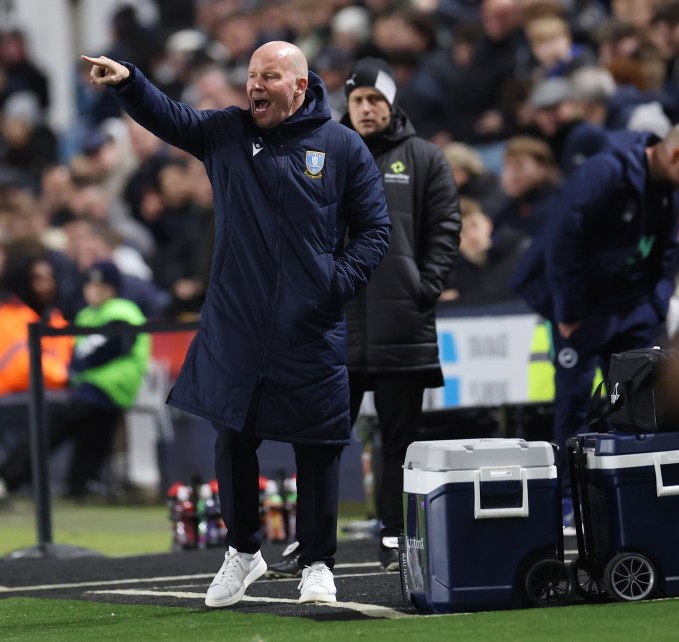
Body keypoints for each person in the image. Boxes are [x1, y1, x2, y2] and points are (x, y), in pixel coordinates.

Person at [81, 41, 390, 606]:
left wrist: (333, 284)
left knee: (318, 443)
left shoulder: (342, 147)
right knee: (233, 436)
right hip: (236, 321)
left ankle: (318, 563)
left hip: (310, 324)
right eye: (250, 75)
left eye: (268, 76)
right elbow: (169, 117)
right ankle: (243, 553)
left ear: (299, 87)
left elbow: (374, 231)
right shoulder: (225, 132)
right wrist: (129, 81)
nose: (255, 86)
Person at [269, 57, 459, 576]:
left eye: (375, 99)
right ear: (345, 106)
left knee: (401, 445)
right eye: (357, 100)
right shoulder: (322, 152)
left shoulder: (424, 158)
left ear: (391, 102)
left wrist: (426, 285)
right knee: (321, 440)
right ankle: (310, 543)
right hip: (338, 327)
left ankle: (397, 539)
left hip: (403, 327)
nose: (367, 108)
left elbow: (445, 226)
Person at [511, 122, 679, 529]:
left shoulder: (670, 189)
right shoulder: (606, 170)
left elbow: (668, 252)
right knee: (577, 403)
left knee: (645, 407)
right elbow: (563, 237)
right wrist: (567, 310)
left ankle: (641, 497)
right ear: (675, 156)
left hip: (633, 309)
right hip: (582, 311)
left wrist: (656, 303)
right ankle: (570, 502)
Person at [0, 258, 151, 506]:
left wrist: (73, 371)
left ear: (113, 289)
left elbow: (97, 354)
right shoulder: (87, 314)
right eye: (91, 286)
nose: (94, 291)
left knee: (47, 435)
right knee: (82, 443)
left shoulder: (121, 311)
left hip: (104, 391)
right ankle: (70, 487)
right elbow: (76, 355)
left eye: (102, 286)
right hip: (92, 392)